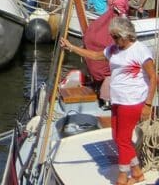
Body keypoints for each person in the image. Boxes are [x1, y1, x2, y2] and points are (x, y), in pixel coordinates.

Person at [61, 17, 156, 185]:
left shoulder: (140, 50)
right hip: (117, 100)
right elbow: (96, 55)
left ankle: (122, 176)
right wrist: (72, 47)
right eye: (112, 37)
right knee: (117, 137)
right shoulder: (113, 50)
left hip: (133, 101)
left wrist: (148, 104)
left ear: (126, 34)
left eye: (116, 37)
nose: (114, 40)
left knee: (123, 139)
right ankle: (137, 172)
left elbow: (153, 77)